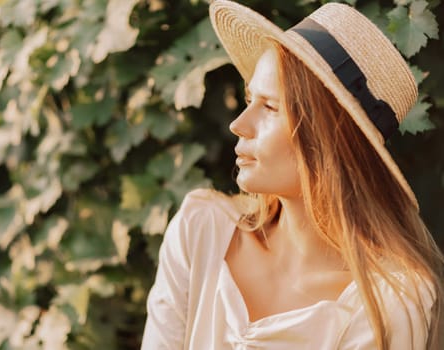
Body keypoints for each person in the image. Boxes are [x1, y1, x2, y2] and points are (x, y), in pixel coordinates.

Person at [141, 1, 444, 349]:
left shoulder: (390, 303)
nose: (238, 125)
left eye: (269, 107)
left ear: (329, 139)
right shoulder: (201, 230)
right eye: (249, 99)